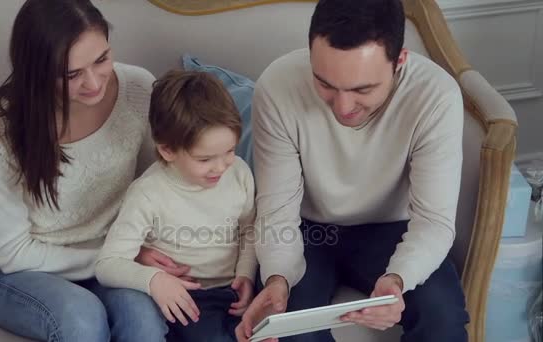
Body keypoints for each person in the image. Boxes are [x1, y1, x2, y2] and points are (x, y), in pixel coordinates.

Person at [235, 0, 470, 341]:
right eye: (325, 84)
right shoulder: (278, 86)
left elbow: (434, 221)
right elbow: (276, 209)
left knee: (443, 319)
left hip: (391, 230)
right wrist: (276, 279)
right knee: (287, 329)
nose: (343, 108)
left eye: (363, 89)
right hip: (306, 230)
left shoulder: (435, 97)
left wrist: (399, 278)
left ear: (399, 62)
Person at [0, 0, 166, 341]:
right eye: (71, 74)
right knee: (83, 318)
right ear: (37, 72)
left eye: (102, 59)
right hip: (23, 271)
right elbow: (14, 253)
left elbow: (158, 187)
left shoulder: (139, 88)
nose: (93, 82)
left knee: (144, 323)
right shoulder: (0, 133)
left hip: (114, 257)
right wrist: (115, 259)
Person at [95, 70, 258, 342]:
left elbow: (250, 230)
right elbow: (108, 264)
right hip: (188, 296)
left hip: (233, 290)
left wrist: (246, 274)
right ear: (167, 150)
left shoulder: (239, 172)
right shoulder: (148, 194)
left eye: (229, 151)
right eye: (205, 159)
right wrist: (154, 281)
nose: (221, 166)